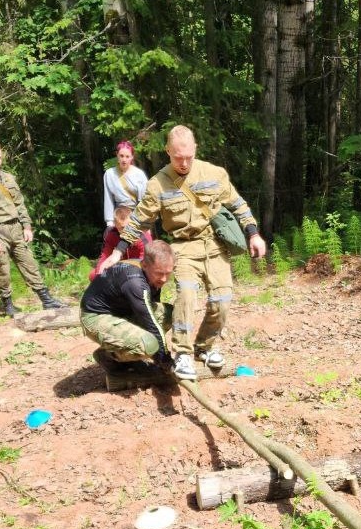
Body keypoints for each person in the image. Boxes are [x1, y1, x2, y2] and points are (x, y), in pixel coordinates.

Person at [117, 124, 267, 382]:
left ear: (195, 149)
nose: (184, 163)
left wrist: (253, 233)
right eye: (178, 157)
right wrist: (118, 250)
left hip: (214, 245)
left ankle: (204, 348)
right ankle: (183, 353)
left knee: (223, 300)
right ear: (168, 151)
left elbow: (238, 204)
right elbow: (139, 219)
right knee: (186, 292)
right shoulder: (157, 185)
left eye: (188, 156)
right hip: (183, 246)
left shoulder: (214, 173)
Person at [0, 141, 63, 317]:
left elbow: (20, 204)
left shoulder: (9, 178)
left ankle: (47, 300)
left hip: (16, 229)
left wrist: (27, 226)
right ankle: (8, 305)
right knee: (2, 269)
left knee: (29, 263)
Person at [79, 238, 174, 371]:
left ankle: (128, 353)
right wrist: (165, 359)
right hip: (96, 316)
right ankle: (108, 356)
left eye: (168, 273)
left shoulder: (151, 274)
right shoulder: (135, 282)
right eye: (159, 273)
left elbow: (151, 311)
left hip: (122, 311)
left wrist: (161, 356)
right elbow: (151, 323)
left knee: (169, 314)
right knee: (149, 344)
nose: (164, 279)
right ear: (145, 265)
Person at [89, 203, 152, 281]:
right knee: (93, 275)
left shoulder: (142, 235)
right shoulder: (112, 234)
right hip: (119, 267)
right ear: (115, 225)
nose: (124, 232)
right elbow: (105, 256)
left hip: (139, 268)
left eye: (126, 227)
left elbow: (146, 261)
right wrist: (99, 274)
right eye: (120, 228)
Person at [103, 141, 148, 228]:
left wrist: (145, 222)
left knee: (143, 242)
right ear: (117, 155)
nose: (124, 160)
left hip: (137, 217)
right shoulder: (109, 174)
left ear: (132, 157)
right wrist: (110, 222)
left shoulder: (139, 174)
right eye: (121, 156)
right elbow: (108, 198)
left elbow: (145, 200)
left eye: (127, 156)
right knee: (119, 241)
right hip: (119, 218)